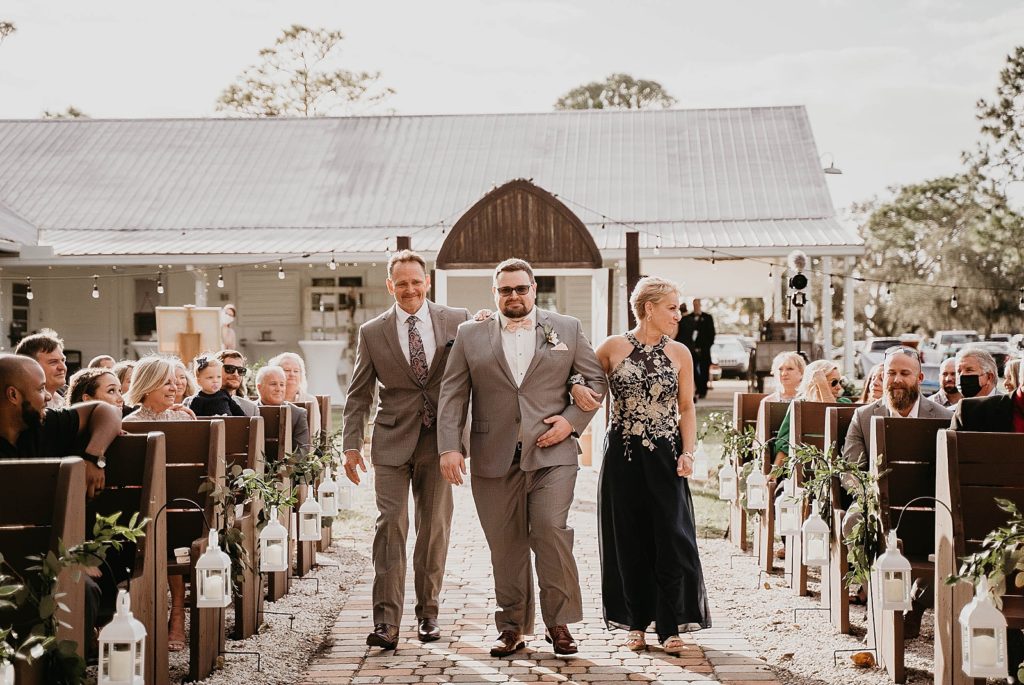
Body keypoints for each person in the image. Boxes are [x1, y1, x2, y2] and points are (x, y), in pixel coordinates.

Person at [437, 258, 607, 657]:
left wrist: (570, 422)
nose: (513, 296)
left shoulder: (566, 327)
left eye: (520, 288)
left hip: (553, 452)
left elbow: (595, 378)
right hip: (492, 454)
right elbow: (453, 394)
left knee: (550, 530)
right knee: (505, 544)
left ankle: (559, 622)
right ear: (494, 293)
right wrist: (449, 446)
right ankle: (511, 625)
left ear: (534, 289)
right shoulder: (470, 334)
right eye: (504, 290)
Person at [342, 249, 470, 650]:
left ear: (427, 281)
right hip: (391, 440)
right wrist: (350, 445)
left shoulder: (458, 320)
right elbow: (360, 392)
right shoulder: (373, 331)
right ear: (390, 286)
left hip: (441, 443)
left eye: (416, 282)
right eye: (402, 283)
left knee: (433, 529)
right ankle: (386, 623)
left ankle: (428, 615)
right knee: (391, 527)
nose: (410, 289)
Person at [596, 277, 710, 654]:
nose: (678, 314)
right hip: (624, 456)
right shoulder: (611, 348)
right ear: (649, 308)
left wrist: (688, 452)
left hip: (665, 455)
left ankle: (670, 624)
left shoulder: (680, 352)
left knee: (670, 538)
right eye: (672, 307)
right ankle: (635, 622)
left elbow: (688, 408)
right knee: (628, 537)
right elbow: (582, 385)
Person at [0, 354, 122, 652]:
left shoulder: (46, 425)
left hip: (48, 558)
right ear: (13, 395)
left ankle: (65, 667)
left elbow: (105, 411)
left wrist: (94, 457)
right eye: (41, 389)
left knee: (83, 589)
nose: (49, 396)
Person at [123, 355, 195, 651]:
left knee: (174, 522)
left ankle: (177, 612)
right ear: (147, 385)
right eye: (166, 382)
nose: (174, 387)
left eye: (175, 382)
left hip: (179, 508)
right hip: (138, 510)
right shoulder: (128, 423)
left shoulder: (181, 418)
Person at [843, 347, 953, 468]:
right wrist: (866, 487)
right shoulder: (863, 417)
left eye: (905, 373)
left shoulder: (945, 418)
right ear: (884, 376)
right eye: (891, 373)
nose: (897, 379)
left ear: (920, 378)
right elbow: (852, 470)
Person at [255, 365, 311, 455]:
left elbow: (301, 452)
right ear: (259, 387)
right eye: (273, 384)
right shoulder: (248, 410)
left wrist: (283, 468)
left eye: (282, 384)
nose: (279, 389)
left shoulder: (298, 414)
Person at [268, 352, 321, 438]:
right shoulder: (269, 398)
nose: (292, 374)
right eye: (287, 370)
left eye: (296, 371)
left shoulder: (310, 400)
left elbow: (315, 435)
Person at [14, 329, 68, 410]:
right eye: (53, 362)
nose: (62, 367)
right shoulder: (25, 407)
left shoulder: (67, 395)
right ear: (30, 367)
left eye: (63, 360)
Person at [675, 299, 715, 400]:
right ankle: (698, 389)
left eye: (697, 304)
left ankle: (703, 391)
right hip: (692, 349)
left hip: (704, 350)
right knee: (693, 371)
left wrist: (704, 347)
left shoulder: (708, 317)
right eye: (694, 304)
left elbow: (711, 334)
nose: (696, 306)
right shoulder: (688, 318)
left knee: (704, 370)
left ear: (700, 305)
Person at [215, 349, 259, 417]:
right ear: (215, 370)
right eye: (229, 369)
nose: (236, 374)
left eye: (240, 370)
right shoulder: (194, 403)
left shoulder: (251, 409)